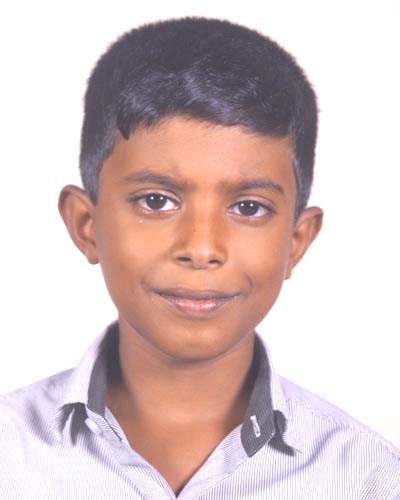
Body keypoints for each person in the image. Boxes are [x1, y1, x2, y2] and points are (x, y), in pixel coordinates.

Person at [0, 16, 398, 500]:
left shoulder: (368, 478)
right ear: (86, 224)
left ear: (296, 241)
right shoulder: (9, 457)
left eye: (248, 208)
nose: (202, 248)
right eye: (156, 201)